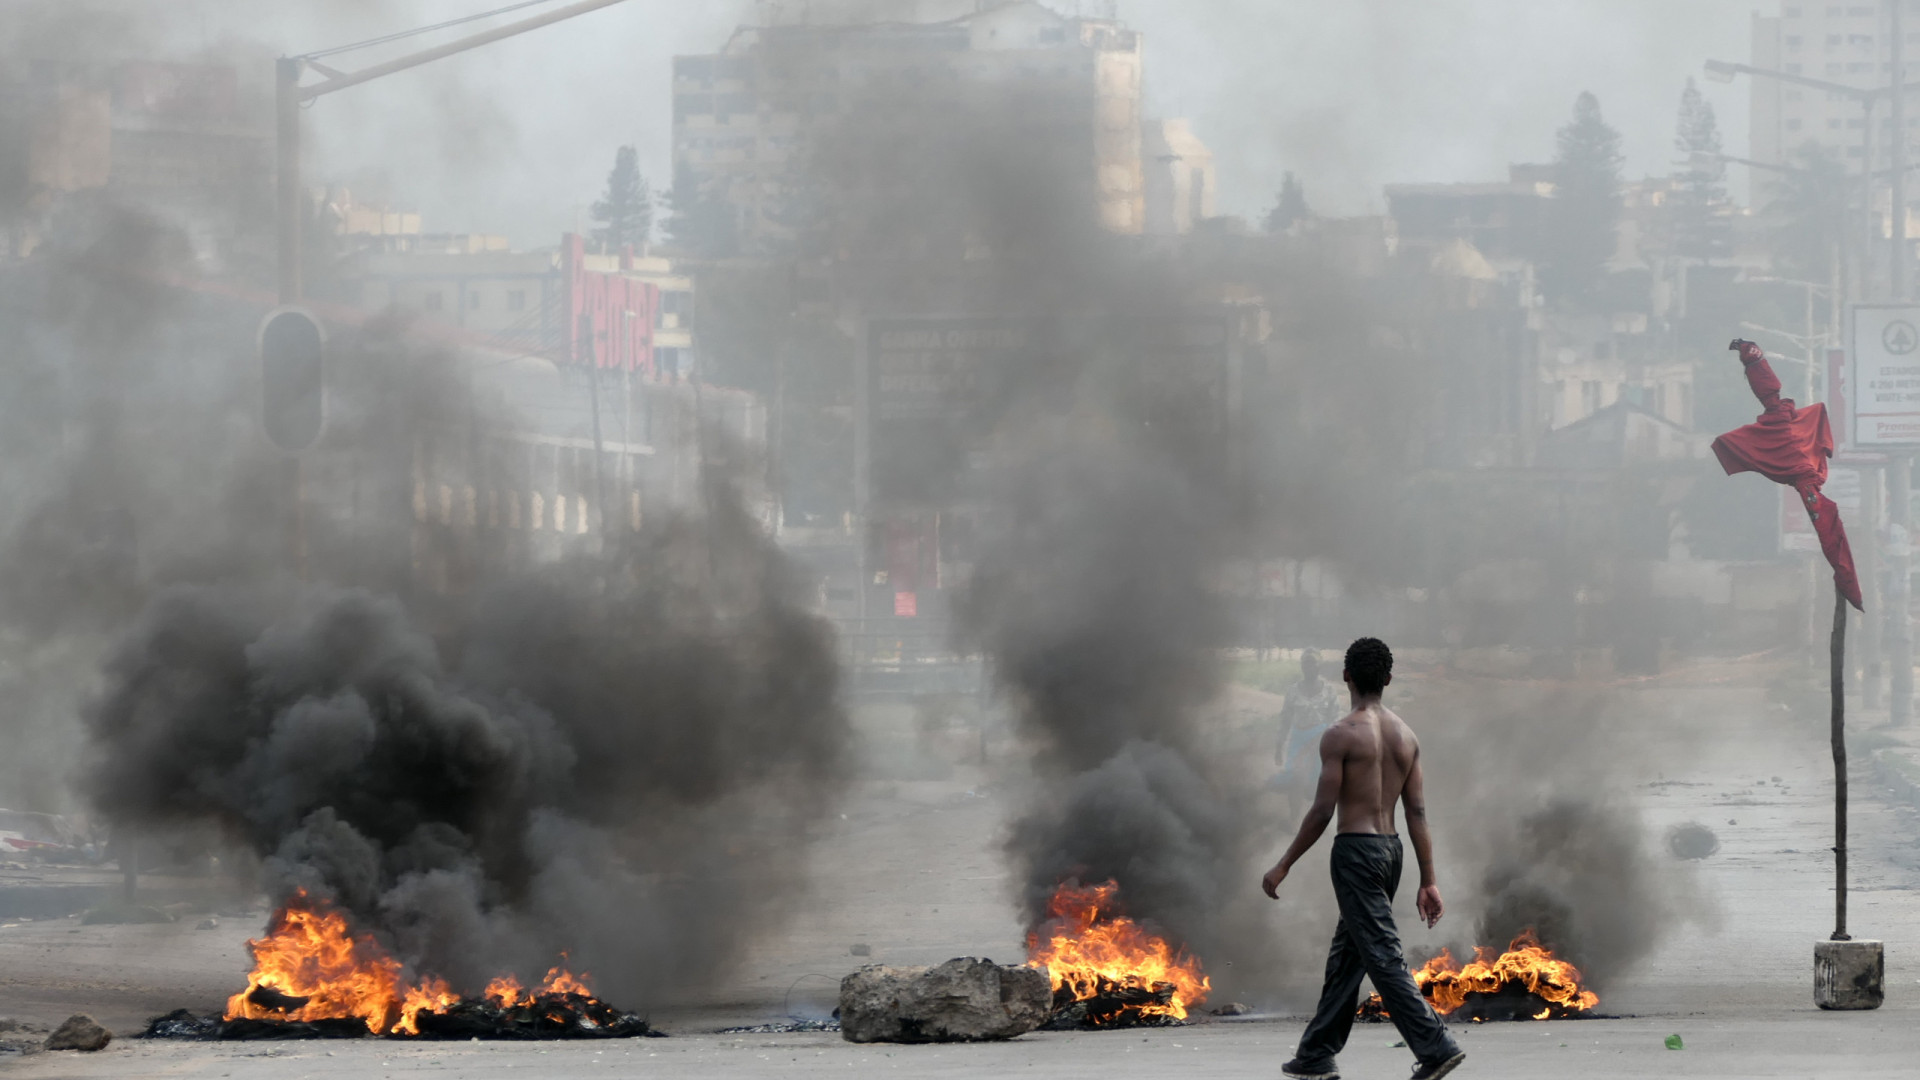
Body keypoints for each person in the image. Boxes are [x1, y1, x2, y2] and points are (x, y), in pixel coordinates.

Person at [1262, 637, 1464, 1080]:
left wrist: (1284, 863)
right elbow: (1417, 812)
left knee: (1380, 953)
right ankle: (1315, 1054)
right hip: (1392, 853)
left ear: (1346, 676)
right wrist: (1427, 878)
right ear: (1388, 680)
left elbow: (1321, 810)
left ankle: (1435, 1047)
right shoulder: (1406, 736)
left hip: (1355, 852)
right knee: (1349, 954)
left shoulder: (1340, 734)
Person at [1276, 648, 1344, 794]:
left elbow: (1336, 718)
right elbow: (1285, 719)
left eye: (1312, 663)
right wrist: (1279, 745)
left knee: (1319, 780)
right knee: (1291, 777)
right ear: (1301, 666)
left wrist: (1328, 739)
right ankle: (1293, 815)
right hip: (1298, 736)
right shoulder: (1293, 691)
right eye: (1305, 663)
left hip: (1320, 738)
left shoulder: (1329, 690)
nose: (1309, 667)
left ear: (1319, 666)